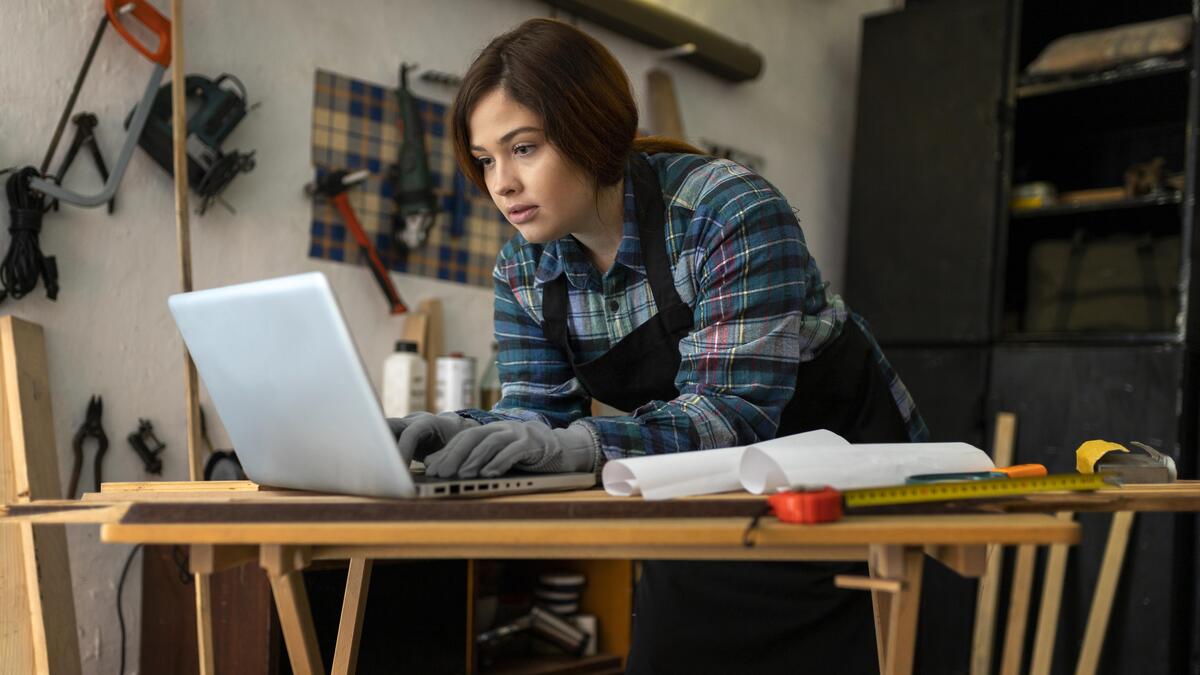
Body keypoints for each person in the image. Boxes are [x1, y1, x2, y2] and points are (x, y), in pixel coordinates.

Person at [388, 17, 928, 674]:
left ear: (590, 129)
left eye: (523, 148)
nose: (500, 184)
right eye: (485, 159)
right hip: (701, 516)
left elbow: (732, 414)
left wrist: (583, 444)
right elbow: (537, 413)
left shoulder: (726, 211)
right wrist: (452, 432)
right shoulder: (523, 271)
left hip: (848, 517)